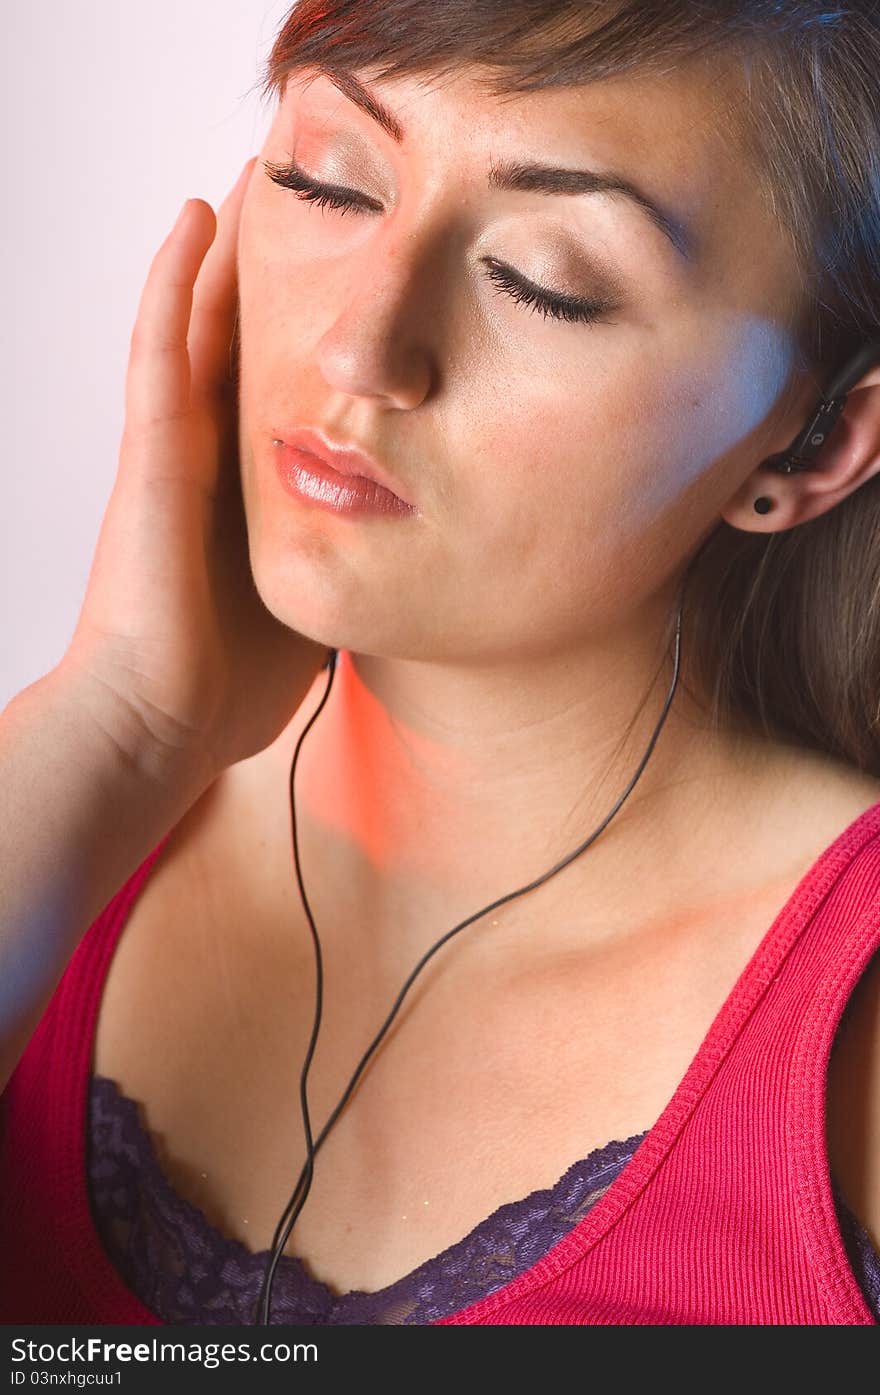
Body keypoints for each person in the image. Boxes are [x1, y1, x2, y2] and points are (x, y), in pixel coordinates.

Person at [1, 0, 879, 1326]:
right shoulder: (53, 814)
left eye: (545, 277)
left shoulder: (845, 1042)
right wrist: (112, 729)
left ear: (808, 446)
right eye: (328, 178)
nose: (358, 350)